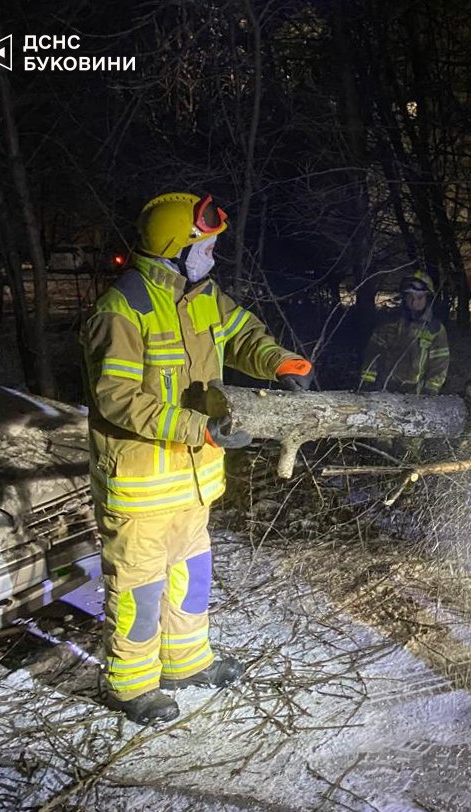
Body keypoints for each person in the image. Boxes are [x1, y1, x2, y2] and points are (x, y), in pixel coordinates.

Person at [81, 192, 314, 725]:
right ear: (176, 248)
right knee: (140, 590)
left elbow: (243, 335)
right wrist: (199, 428)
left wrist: (280, 362)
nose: (212, 254)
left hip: (193, 483)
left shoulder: (201, 296)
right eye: (205, 246)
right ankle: (132, 685)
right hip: (140, 487)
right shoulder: (123, 308)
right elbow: (116, 398)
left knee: (192, 575)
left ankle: (184, 662)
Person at [359, 270, 449, 396]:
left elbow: (440, 365)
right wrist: (367, 383)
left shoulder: (435, 329)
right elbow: (373, 354)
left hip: (416, 395)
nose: (414, 302)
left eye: (419, 297)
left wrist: (430, 390)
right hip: (384, 391)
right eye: (410, 297)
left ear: (428, 298)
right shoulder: (389, 324)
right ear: (404, 297)